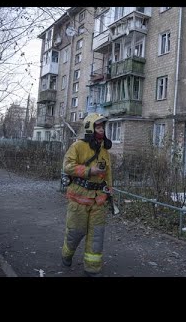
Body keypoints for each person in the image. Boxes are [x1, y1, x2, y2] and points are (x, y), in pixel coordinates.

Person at [61, 113, 113, 277]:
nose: (101, 129)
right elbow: (68, 166)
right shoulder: (77, 146)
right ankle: (66, 254)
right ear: (90, 128)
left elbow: (108, 173)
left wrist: (110, 191)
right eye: (98, 127)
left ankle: (92, 268)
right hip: (79, 199)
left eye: (102, 127)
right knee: (75, 233)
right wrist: (90, 171)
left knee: (97, 235)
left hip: (99, 200)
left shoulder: (104, 150)